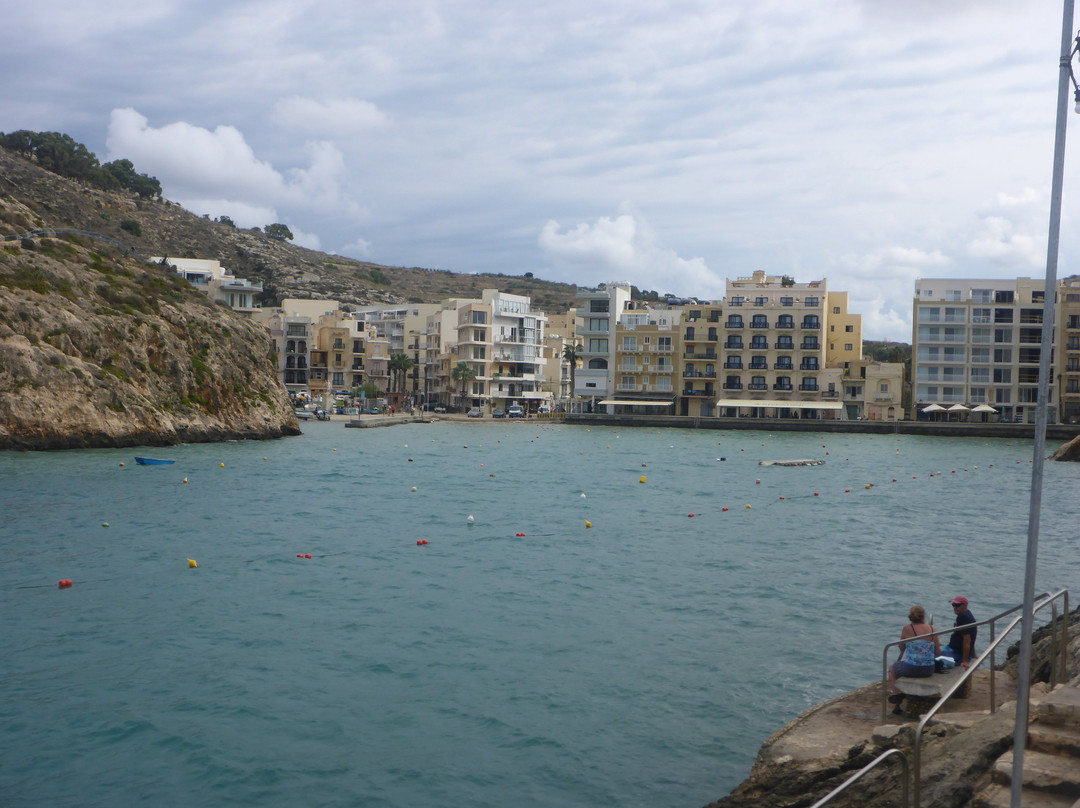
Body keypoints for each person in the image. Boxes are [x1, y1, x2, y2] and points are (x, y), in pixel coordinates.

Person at [887, 605, 940, 714]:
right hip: (928, 669)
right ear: (923, 616)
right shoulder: (932, 629)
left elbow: (901, 647)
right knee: (902, 667)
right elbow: (938, 652)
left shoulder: (907, 628)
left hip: (911, 668)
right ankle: (900, 696)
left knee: (892, 668)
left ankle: (897, 694)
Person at [943, 596, 977, 669]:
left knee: (931, 656)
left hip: (957, 654)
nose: (955, 607)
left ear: (965, 605)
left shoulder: (963, 617)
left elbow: (967, 640)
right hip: (956, 651)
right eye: (953, 605)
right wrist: (973, 654)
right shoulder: (968, 614)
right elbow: (971, 636)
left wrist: (965, 661)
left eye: (958, 605)